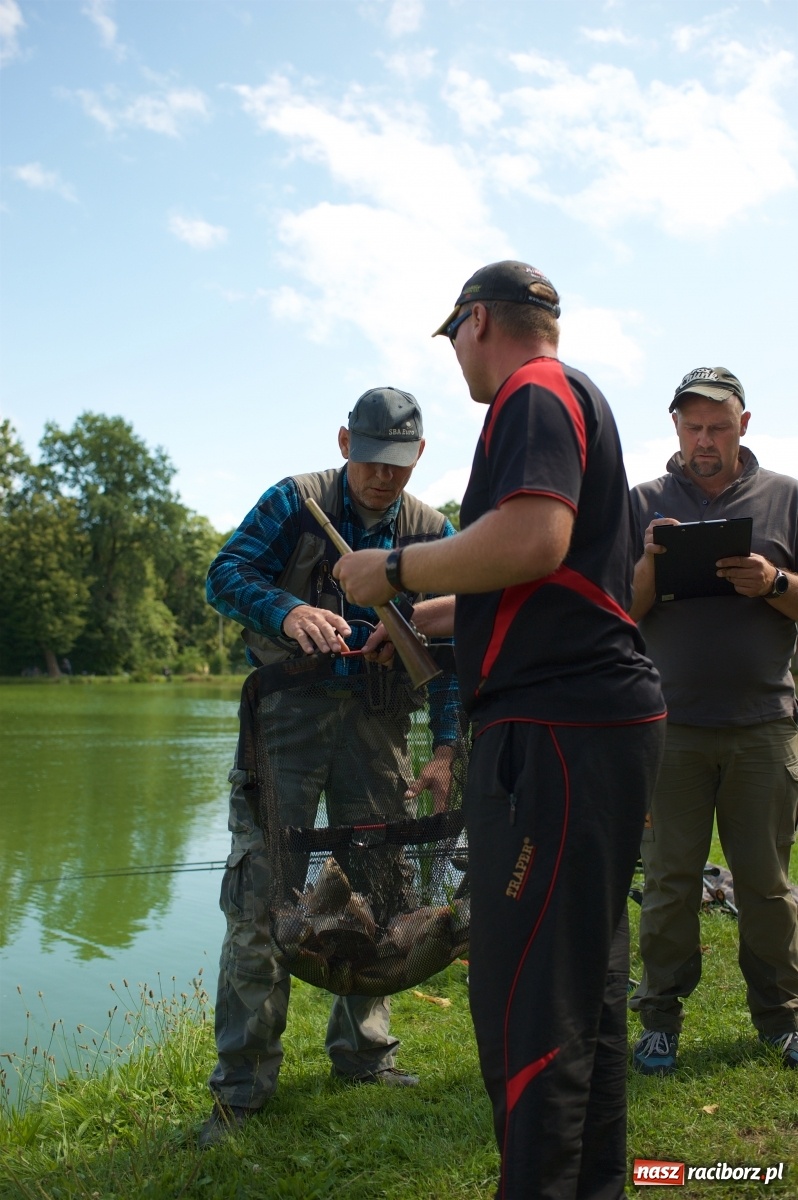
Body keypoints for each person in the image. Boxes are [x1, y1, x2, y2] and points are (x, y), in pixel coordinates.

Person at [335, 261, 665, 1200]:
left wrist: (390, 568)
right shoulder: (575, 402)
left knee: (529, 1004)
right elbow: (541, 581)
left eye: (453, 340)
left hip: (557, 732)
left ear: (476, 321)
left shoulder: (531, 392)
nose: (458, 361)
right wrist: (419, 611)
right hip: (595, 725)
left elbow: (530, 541)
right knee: (586, 988)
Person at [198, 387, 460, 1148]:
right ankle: (242, 1089)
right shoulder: (295, 500)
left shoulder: (431, 532)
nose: (384, 477)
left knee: (382, 890)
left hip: (380, 728)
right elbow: (224, 574)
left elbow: (450, 654)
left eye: (400, 463)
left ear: (419, 458)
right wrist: (284, 612)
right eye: (372, 458)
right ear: (347, 441)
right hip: (286, 721)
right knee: (261, 891)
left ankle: (364, 1054)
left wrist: (444, 749)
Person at [627, 367, 798, 1075]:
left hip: (764, 724)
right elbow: (618, 613)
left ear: (744, 425)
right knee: (669, 881)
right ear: (675, 428)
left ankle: (783, 1019)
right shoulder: (642, 502)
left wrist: (774, 582)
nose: (705, 439)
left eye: (718, 426)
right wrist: (650, 563)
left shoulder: (786, 498)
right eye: (693, 426)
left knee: (765, 885)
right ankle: (660, 1018)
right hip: (671, 729)